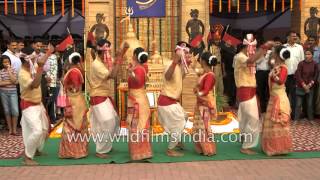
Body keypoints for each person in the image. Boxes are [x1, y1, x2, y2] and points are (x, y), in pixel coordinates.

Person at [89, 39, 128, 159]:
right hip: (97, 96)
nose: (108, 54)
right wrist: (120, 55)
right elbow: (112, 75)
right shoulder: (97, 64)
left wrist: (120, 55)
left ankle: (107, 145)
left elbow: (114, 71)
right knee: (108, 121)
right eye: (107, 52)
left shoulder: (105, 61)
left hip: (104, 96)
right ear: (101, 52)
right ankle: (100, 150)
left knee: (114, 120)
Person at [234, 40, 274, 155]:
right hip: (246, 91)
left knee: (245, 118)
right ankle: (246, 146)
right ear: (247, 47)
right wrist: (264, 46)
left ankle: (243, 138)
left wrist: (263, 50)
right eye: (252, 48)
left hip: (248, 91)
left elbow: (254, 59)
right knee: (253, 119)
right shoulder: (240, 57)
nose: (253, 50)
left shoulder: (243, 56)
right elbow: (251, 60)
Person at [19, 45, 54, 165]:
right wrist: (40, 67)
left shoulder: (32, 66)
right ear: (28, 60)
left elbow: (41, 61)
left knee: (45, 129)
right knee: (37, 131)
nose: (36, 60)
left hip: (38, 104)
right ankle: (27, 157)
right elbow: (35, 84)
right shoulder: (23, 74)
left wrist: (49, 52)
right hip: (28, 106)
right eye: (34, 58)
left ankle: (37, 150)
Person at [157, 41, 191, 157]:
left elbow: (179, 79)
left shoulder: (179, 66)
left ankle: (177, 141)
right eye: (185, 53)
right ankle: (170, 149)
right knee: (179, 121)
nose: (187, 56)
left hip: (172, 102)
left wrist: (186, 65)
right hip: (166, 101)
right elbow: (167, 76)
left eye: (187, 54)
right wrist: (175, 62)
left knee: (185, 117)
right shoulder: (170, 64)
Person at [262, 45, 293, 156]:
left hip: (279, 98)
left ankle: (279, 148)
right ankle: (273, 147)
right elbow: (270, 62)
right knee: (271, 124)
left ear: (278, 54)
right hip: (273, 97)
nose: (272, 53)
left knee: (277, 123)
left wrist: (274, 76)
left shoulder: (283, 68)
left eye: (274, 52)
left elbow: (281, 81)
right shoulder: (277, 66)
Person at [59, 52, 88, 159]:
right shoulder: (77, 71)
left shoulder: (73, 72)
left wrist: (66, 84)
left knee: (72, 125)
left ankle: (73, 152)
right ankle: (79, 151)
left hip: (73, 101)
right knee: (78, 124)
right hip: (78, 100)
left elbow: (75, 88)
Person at [126, 47, 152, 160]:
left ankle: (141, 152)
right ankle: (136, 151)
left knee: (138, 125)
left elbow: (139, 81)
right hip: (134, 99)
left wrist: (131, 72)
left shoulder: (140, 69)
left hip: (138, 101)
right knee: (134, 125)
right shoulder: (137, 68)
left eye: (133, 54)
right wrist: (131, 70)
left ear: (136, 56)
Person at [192, 52, 217, 156]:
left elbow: (206, 90)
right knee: (200, 126)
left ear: (203, 61)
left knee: (204, 126)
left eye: (200, 60)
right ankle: (202, 148)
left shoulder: (210, 75)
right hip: (201, 102)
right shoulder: (205, 73)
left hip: (205, 102)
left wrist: (198, 92)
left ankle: (208, 149)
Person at [283, 31, 305, 118]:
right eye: (293, 36)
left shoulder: (299, 47)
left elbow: (302, 61)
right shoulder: (283, 47)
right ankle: (285, 114)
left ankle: (294, 115)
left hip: (296, 76)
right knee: (284, 95)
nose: (295, 38)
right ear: (288, 37)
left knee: (295, 96)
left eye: (295, 37)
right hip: (285, 75)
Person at [294, 49, 319, 120]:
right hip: (300, 86)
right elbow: (298, 75)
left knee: (310, 104)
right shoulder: (301, 63)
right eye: (306, 54)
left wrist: (310, 85)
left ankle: (311, 119)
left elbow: (316, 75)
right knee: (298, 104)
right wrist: (304, 85)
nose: (307, 56)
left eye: (309, 54)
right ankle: (296, 119)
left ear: (312, 55)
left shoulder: (315, 64)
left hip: (310, 87)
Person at [0, 55, 19, 135]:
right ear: (1, 63)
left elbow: (15, 81)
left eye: (8, 62)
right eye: (4, 62)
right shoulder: (0, 71)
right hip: (3, 92)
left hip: (13, 92)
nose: (6, 63)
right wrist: (11, 82)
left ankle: (14, 130)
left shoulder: (13, 70)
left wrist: (9, 71)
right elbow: (0, 83)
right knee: (7, 111)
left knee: (15, 111)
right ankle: (10, 129)